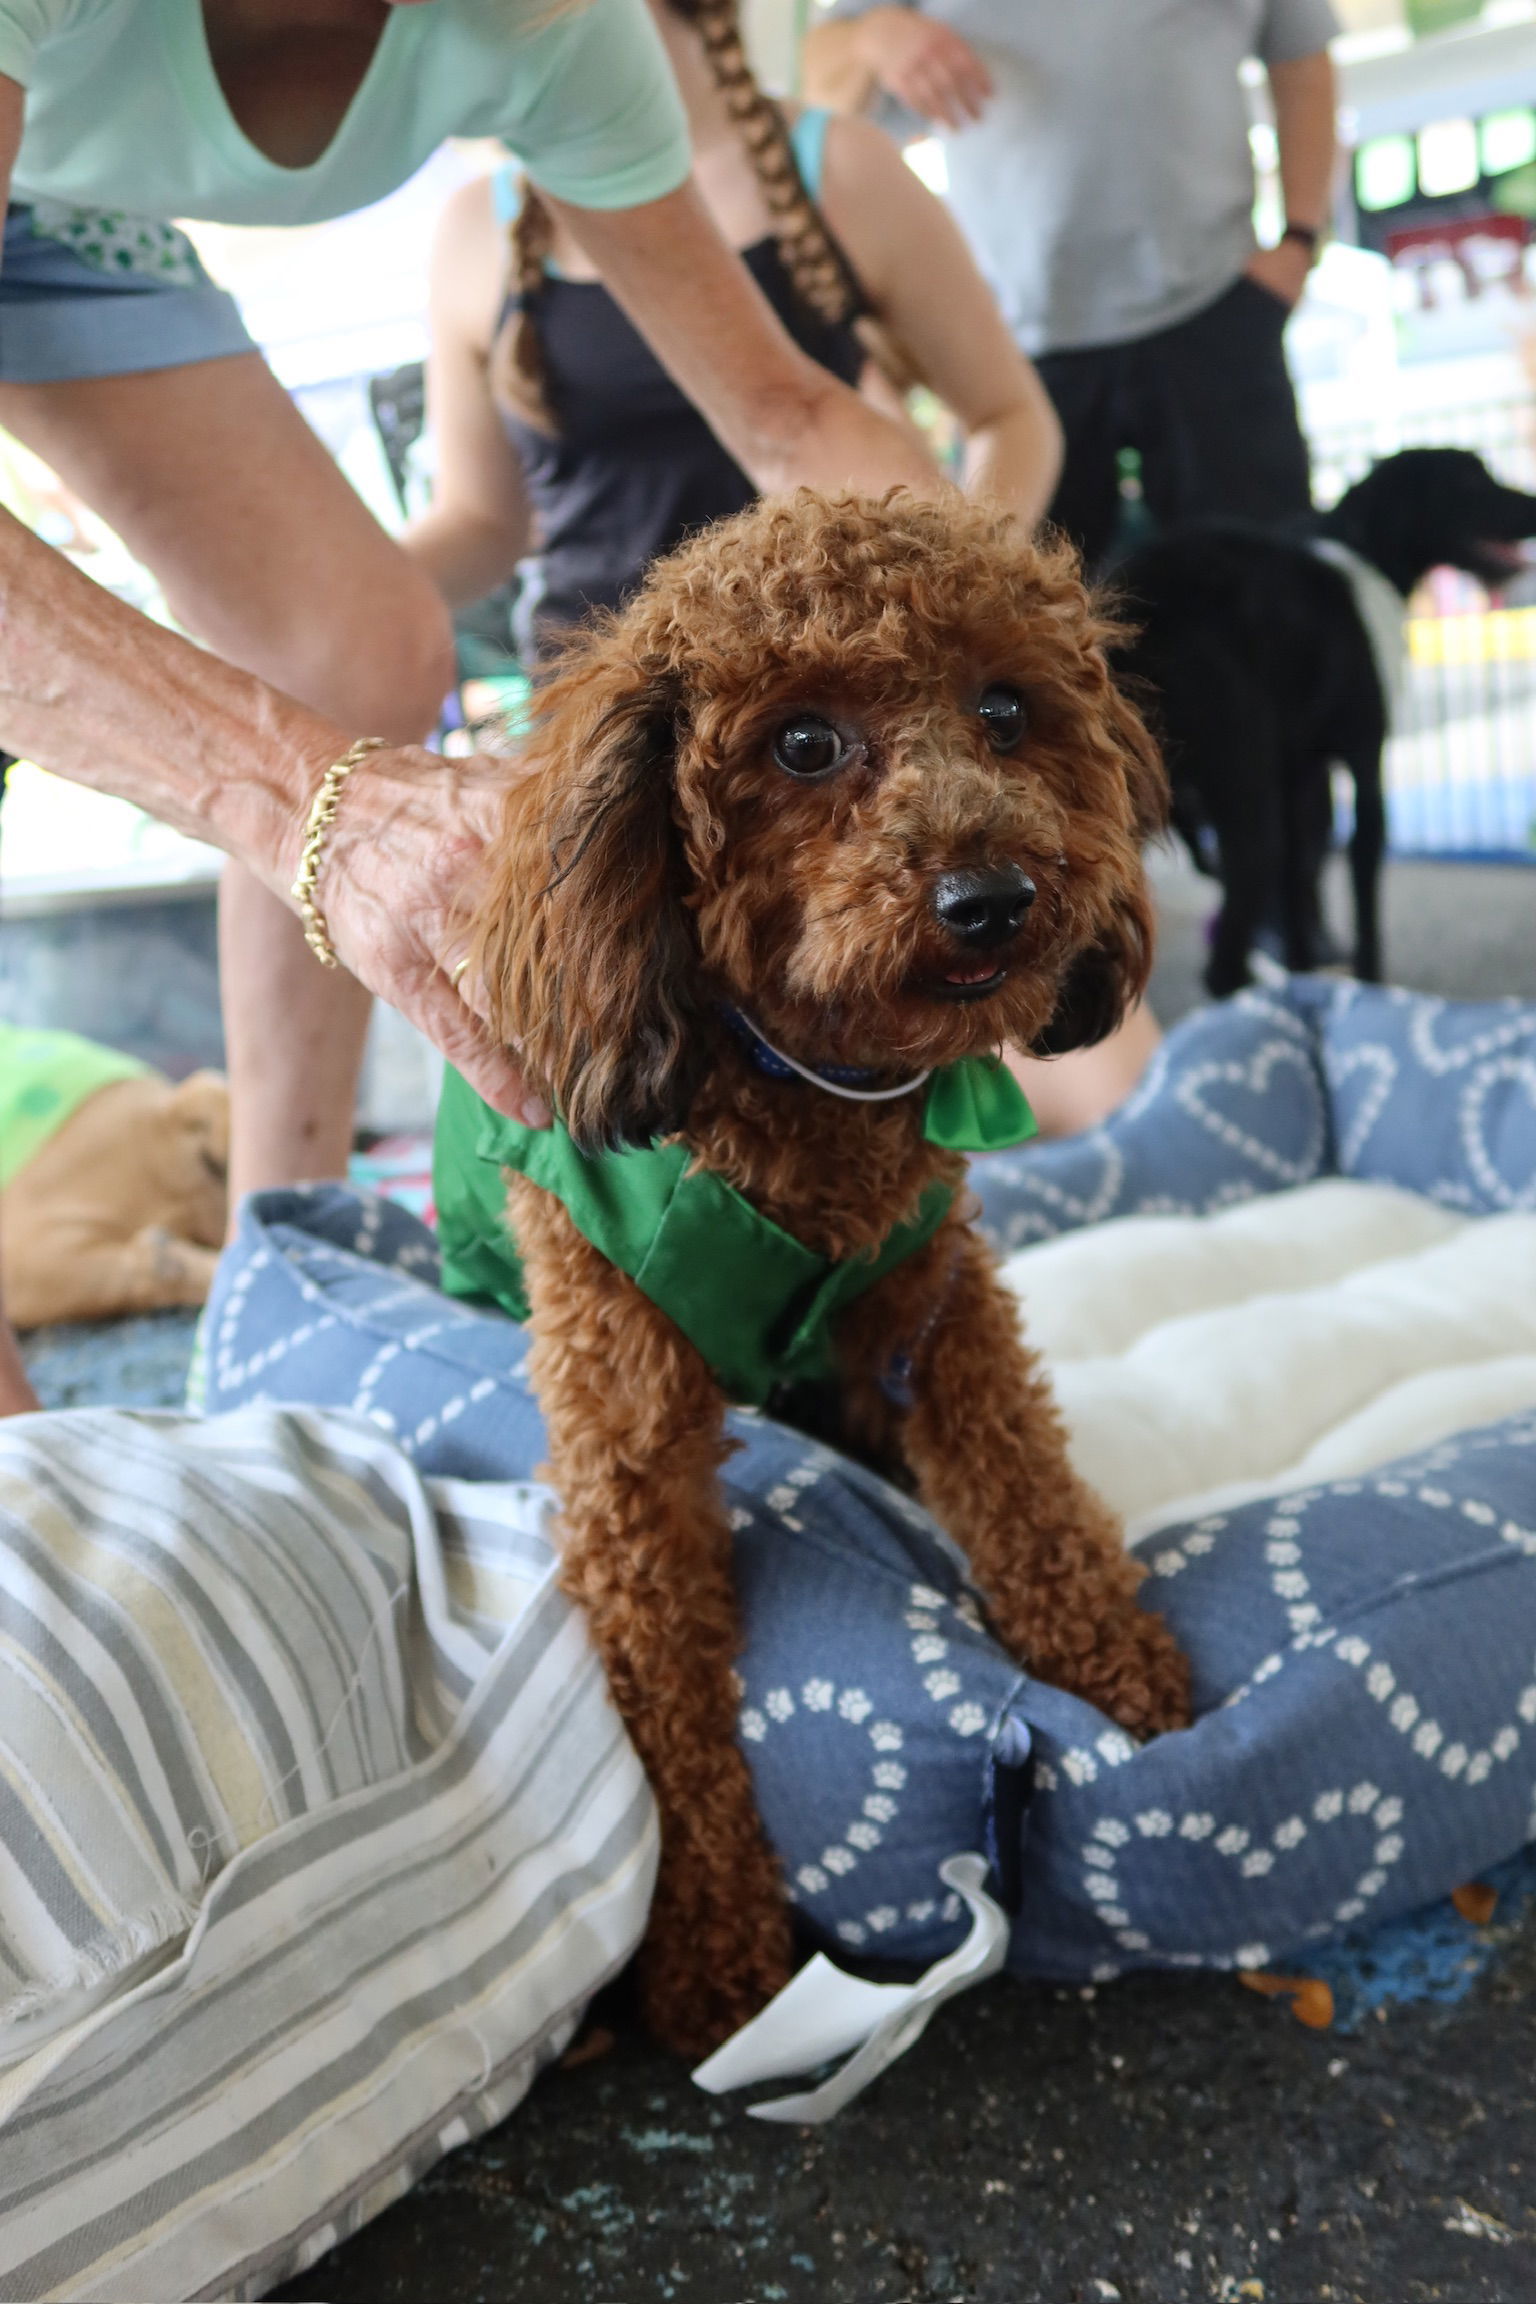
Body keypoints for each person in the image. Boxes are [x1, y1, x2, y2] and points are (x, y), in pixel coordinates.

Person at [0, 0, 948, 1414]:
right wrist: (318, 808)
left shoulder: (564, 33)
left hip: (49, 211)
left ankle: (276, 1307)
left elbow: (791, 418)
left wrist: (1018, 723)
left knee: (360, 642)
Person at [406, 0, 1157, 1129]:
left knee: (1123, 1097)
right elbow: (480, 520)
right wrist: (317, 622)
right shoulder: (477, 228)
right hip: (616, 753)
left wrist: (941, 603)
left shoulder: (837, 165)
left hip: (871, 722)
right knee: (597, 1095)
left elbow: (1011, 416)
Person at [804, 0, 1340, 572]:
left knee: (1273, 605)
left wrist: (1299, 241)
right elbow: (813, 89)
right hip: (1018, 358)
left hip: (1216, 315)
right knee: (1027, 631)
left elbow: (1303, 57)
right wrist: (873, 36)